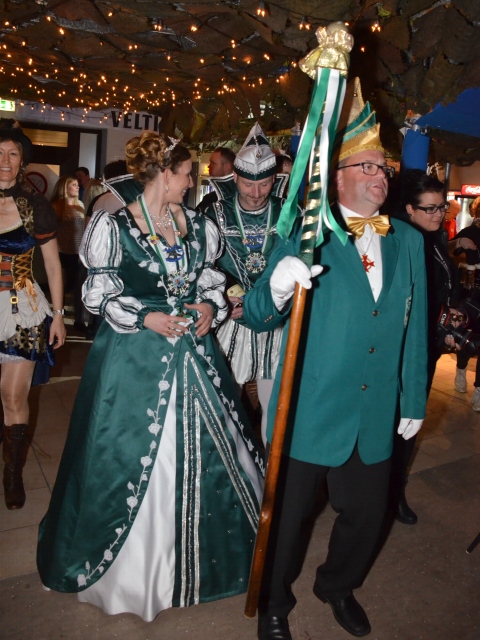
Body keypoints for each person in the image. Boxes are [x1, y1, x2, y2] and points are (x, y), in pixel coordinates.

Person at [37, 131, 264, 622]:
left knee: (214, 451)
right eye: (186, 175)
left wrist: (209, 306)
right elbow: (100, 293)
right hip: (134, 357)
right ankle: (132, 571)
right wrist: (145, 316)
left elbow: (210, 279)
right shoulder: (114, 225)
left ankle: (204, 563)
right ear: (164, 173)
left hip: (195, 354)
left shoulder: (197, 224)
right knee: (125, 452)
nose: (191, 183)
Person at [243, 86, 428, 639]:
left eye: (384, 166)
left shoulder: (407, 241)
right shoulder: (307, 233)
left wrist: (413, 396)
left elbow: (414, 326)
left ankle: (337, 586)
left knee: (367, 517)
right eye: (367, 165)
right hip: (310, 410)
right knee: (286, 520)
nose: (380, 175)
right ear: (336, 177)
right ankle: (274, 604)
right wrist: (278, 286)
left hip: (375, 411)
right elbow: (256, 314)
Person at [204, 123, 295, 445]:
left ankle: (273, 468)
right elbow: (203, 265)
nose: (256, 194)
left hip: (277, 317)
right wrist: (225, 299)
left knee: (277, 405)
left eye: (265, 184)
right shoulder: (213, 213)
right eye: (247, 184)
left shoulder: (289, 213)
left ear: (275, 179)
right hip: (230, 317)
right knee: (224, 401)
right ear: (234, 178)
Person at [0, 120, 66, 510]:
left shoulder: (35, 205)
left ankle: (12, 473)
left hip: (21, 308)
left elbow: (53, 266)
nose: (5, 161)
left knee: (13, 395)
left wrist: (58, 315)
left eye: (13, 154)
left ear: (22, 161)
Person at [391, 170, 462, 524]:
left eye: (441, 207)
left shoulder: (433, 238)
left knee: (409, 422)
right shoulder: (401, 240)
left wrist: (452, 315)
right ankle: (387, 494)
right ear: (409, 208)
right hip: (403, 351)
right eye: (430, 208)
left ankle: (393, 491)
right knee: (396, 424)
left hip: (427, 346)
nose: (438, 214)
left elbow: (443, 288)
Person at [449, 205, 480, 408]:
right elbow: (449, 253)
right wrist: (461, 245)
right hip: (471, 292)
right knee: (467, 335)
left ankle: (479, 390)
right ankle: (461, 370)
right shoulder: (470, 232)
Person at [51, 175, 85, 327]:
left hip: (78, 251)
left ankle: (78, 319)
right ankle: (59, 315)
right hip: (61, 250)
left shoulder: (81, 205)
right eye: (74, 185)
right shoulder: (55, 206)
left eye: (78, 185)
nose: (78, 187)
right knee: (61, 285)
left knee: (79, 286)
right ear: (65, 187)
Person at [196, 147, 236, 215]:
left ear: (226, 167)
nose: (209, 166)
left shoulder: (211, 200)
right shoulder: (210, 198)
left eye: (213, 163)